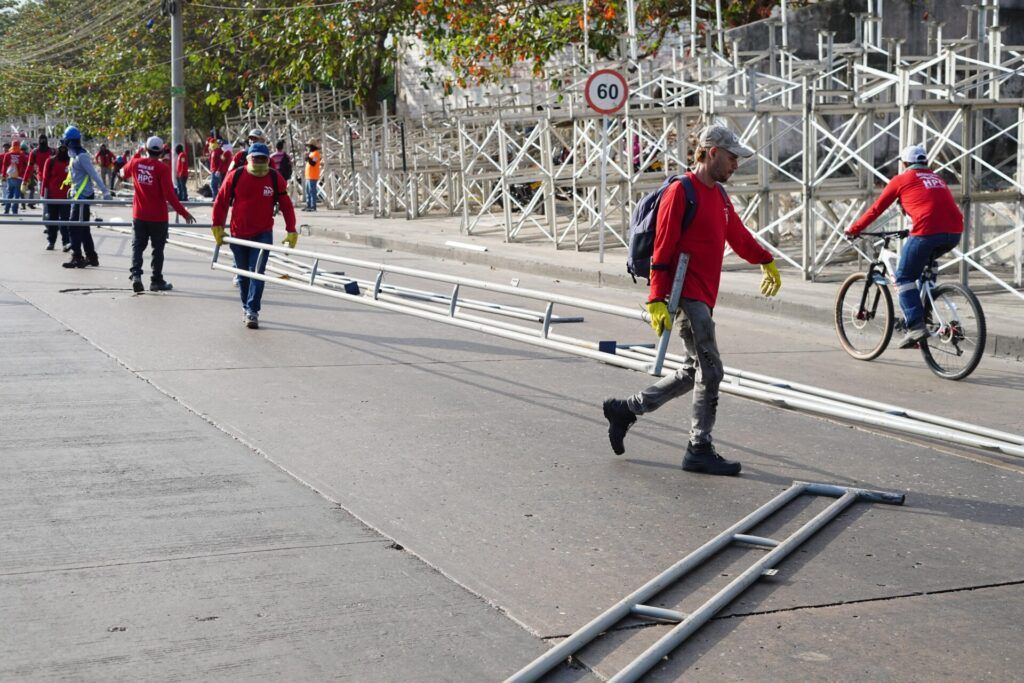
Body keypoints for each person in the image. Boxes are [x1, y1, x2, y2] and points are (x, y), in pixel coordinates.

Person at [602, 124, 782, 477]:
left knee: (691, 372)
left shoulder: (719, 196)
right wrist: (656, 297)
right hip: (685, 295)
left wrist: (765, 259)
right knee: (711, 370)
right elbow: (663, 246)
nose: (735, 165)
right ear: (711, 152)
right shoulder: (681, 192)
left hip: (704, 293)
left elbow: (738, 235)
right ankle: (698, 447)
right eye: (732, 158)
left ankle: (626, 410)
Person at [844, 144, 964, 348]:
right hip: (954, 232)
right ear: (926, 162)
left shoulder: (901, 180)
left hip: (926, 232)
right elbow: (932, 206)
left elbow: (876, 210)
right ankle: (926, 307)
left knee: (904, 277)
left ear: (904, 163)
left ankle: (916, 327)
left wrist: (854, 229)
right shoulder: (937, 179)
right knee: (924, 265)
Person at [211, 142, 297, 329]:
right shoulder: (236, 176)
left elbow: (286, 205)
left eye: (262, 158)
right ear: (248, 158)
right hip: (238, 233)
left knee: (257, 273)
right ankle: (246, 306)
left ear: (268, 160)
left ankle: (252, 311)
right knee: (243, 275)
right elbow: (221, 201)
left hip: (262, 234)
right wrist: (217, 226)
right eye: (255, 157)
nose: (258, 161)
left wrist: (292, 229)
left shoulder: (275, 179)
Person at [120, 136, 196, 292]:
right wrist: (184, 213)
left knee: (137, 247)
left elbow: (122, 173)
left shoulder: (135, 163)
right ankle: (156, 280)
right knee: (158, 249)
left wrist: (136, 155)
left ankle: (136, 276)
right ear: (161, 151)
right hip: (158, 218)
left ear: (146, 149)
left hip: (139, 215)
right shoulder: (162, 168)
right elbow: (170, 195)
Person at [61, 125, 111, 269]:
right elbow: (76, 176)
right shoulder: (74, 155)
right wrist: (70, 188)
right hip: (77, 195)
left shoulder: (81, 156)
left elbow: (93, 174)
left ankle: (77, 257)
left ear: (70, 141)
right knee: (83, 228)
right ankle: (91, 257)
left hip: (83, 197)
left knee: (74, 226)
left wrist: (105, 191)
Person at [41, 144, 71, 251]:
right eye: (61, 149)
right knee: (52, 220)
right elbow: (45, 178)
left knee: (65, 221)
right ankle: (51, 241)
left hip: (66, 197)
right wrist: (43, 194)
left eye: (65, 149)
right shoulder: (50, 161)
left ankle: (66, 242)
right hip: (52, 196)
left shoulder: (71, 162)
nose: (62, 151)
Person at [23, 135, 52, 214]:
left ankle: (48, 217)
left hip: (50, 179)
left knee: (48, 199)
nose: (42, 141)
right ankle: (48, 218)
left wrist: (24, 181)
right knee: (45, 199)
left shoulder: (52, 151)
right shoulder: (35, 152)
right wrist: (24, 181)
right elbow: (29, 167)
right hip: (44, 179)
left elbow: (29, 167)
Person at [3, 140, 28, 215]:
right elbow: (26, 166)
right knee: (17, 195)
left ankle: (6, 210)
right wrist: (25, 176)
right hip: (19, 178)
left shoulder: (7, 155)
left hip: (10, 177)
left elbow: (4, 166)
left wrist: (4, 175)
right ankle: (14, 211)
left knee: (9, 194)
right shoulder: (22, 155)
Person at [303, 138, 322, 211]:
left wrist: (308, 157)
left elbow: (313, 163)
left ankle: (313, 206)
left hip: (313, 175)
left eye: (309, 146)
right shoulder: (311, 153)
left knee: (312, 191)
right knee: (308, 191)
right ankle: (308, 205)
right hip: (308, 175)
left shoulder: (316, 153)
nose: (308, 147)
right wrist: (307, 157)